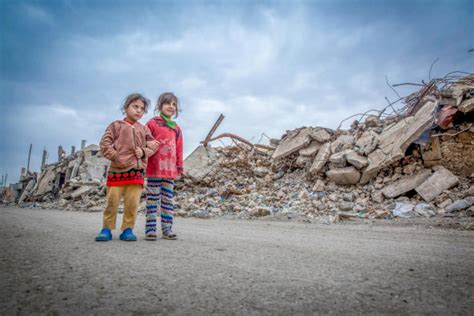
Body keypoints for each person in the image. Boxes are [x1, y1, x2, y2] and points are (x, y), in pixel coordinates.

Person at [95, 93, 158, 242]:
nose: (138, 111)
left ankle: (127, 230)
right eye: (135, 107)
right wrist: (116, 156)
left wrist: (143, 152)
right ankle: (106, 229)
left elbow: (154, 145)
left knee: (132, 203)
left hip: (136, 173)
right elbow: (105, 143)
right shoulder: (116, 125)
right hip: (117, 171)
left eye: (142, 109)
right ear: (126, 108)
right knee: (112, 202)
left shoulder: (144, 129)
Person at [145, 92, 184, 240]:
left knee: (167, 200)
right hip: (154, 169)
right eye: (168, 103)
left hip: (170, 171)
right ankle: (150, 230)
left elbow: (179, 148)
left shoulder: (176, 128)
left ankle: (167, 229)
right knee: (152, 200)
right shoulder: (152, 124)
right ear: (160, 105)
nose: (171, 106)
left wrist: (179, 166)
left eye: (174, 104)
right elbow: (144, 140)